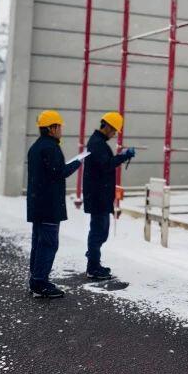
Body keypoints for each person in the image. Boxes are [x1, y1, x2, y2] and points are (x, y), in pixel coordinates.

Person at [26, 109, 83, 299]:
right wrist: (77, 163)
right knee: (49, 244)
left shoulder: (36, 147)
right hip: (49, 205)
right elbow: (58, 173)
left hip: (38, 203)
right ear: (52, 128)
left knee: (38, 243)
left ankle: (36, 280)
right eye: (59, 127)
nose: (61, 130)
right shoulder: (51, 148)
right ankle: (40, 283)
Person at [82, 111, 135, 279]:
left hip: (99, 195)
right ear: (108, 127)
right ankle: (93, 266)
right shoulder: (97, 144)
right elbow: (106, 165)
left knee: (100, 231)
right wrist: (123, 156)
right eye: (114, 131)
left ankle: (93, 261)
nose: (114, 134)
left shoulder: (98, 142)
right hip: (98, 196)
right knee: (99, 231)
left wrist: (121, 156)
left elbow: (105, 164)